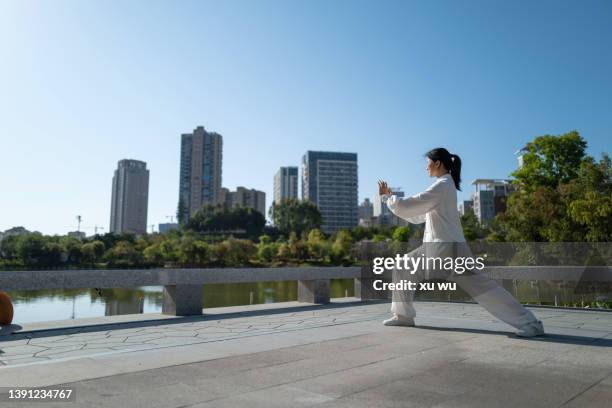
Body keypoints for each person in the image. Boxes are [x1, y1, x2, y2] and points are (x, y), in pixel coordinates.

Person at [377, 147, 544, 337]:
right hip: (439, 248)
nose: (426, 168)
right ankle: (403, 316)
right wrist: (390, 200)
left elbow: (409, 204)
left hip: (447, 249)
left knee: (484, 288)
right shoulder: (444, 185)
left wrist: (387, 198)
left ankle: (531, 323)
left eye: (428, 164)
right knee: (403, 266)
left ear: (437, 163)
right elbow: (418, 215)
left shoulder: (443, 184)